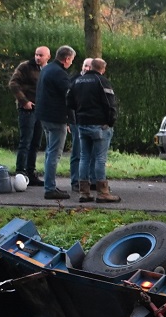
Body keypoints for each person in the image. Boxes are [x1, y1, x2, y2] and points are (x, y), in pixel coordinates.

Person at [69, 57, 121, 204]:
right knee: (100, 158)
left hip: (82, 124)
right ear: (102, 69)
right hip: (99, 125)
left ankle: (84, 192)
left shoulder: (78, 81)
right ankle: (103, 192)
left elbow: (70, 101)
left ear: (90, 67)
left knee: (84, 157)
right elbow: (110, 104)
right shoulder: (102, 81)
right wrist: (110, 122)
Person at [35, 46, 76, 200]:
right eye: (71, 60)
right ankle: (50, 188)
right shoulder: (60, 74)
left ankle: (49, 184)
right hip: (56, 118)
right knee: (55, 153)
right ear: (66, 59)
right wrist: (71, 119)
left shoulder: (47, 69)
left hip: (44, 116)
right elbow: (70, 97)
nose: (71, 63)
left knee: (49, 151)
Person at [9, 45, 49, 186]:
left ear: (47, 57)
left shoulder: (47, 70)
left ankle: (31, 173)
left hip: (41, 109)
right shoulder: (25, 66)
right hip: (27, 108)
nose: (38, 57)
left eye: (41, 55)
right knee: (25, 140)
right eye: (36, 54)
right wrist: (24, 101)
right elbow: (13, 83)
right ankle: (20, 172)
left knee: (36, 142)